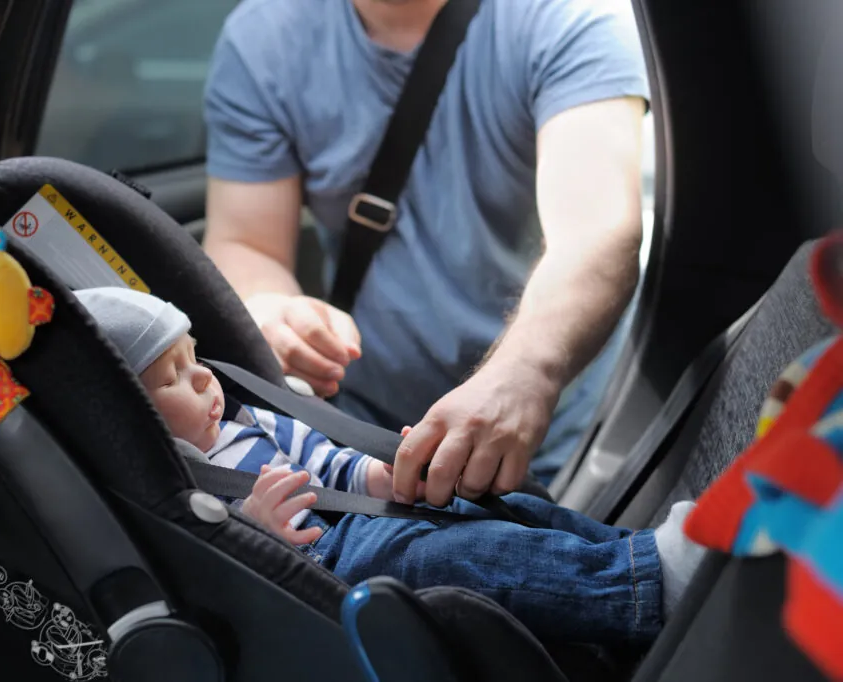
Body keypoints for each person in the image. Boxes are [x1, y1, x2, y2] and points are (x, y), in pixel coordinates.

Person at [73, 287, 705, 646]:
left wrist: (383, 476)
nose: (205, 379)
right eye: (174, 378)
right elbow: (223, 563)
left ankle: (639, 552)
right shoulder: (178, 484)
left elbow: (325, 461)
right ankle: (642, 590)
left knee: (501, 509)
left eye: (194, 358)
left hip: (364, 515)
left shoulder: (248, 421)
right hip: (328, 561)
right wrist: (260, 527)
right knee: (451, 559)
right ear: (133, 415)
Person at [200, 0, 651, 503]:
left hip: (553, 424)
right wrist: (271, 308)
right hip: (366, 427)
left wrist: (527, 373)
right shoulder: (265, 38)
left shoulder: (565, 17)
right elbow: (245, 242)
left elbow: (597, 231)